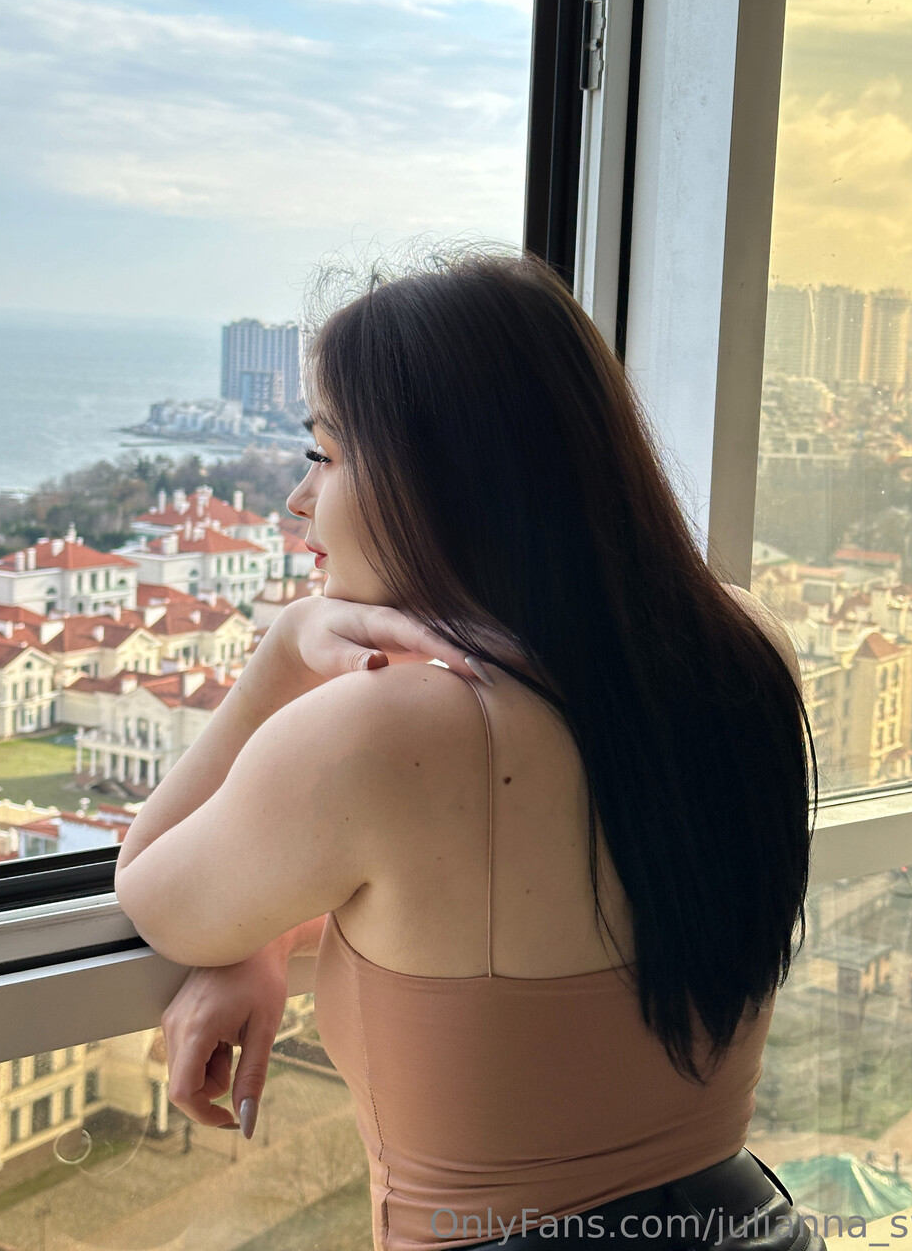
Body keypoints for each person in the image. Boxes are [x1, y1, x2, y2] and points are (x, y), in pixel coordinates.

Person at [114, 249, 823, 1251]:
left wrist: (286, 648)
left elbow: (153, 889)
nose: (298, 500)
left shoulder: (385, 732)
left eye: (324, 454)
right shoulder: (745, 646)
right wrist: (271, 935)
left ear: (440, 472)